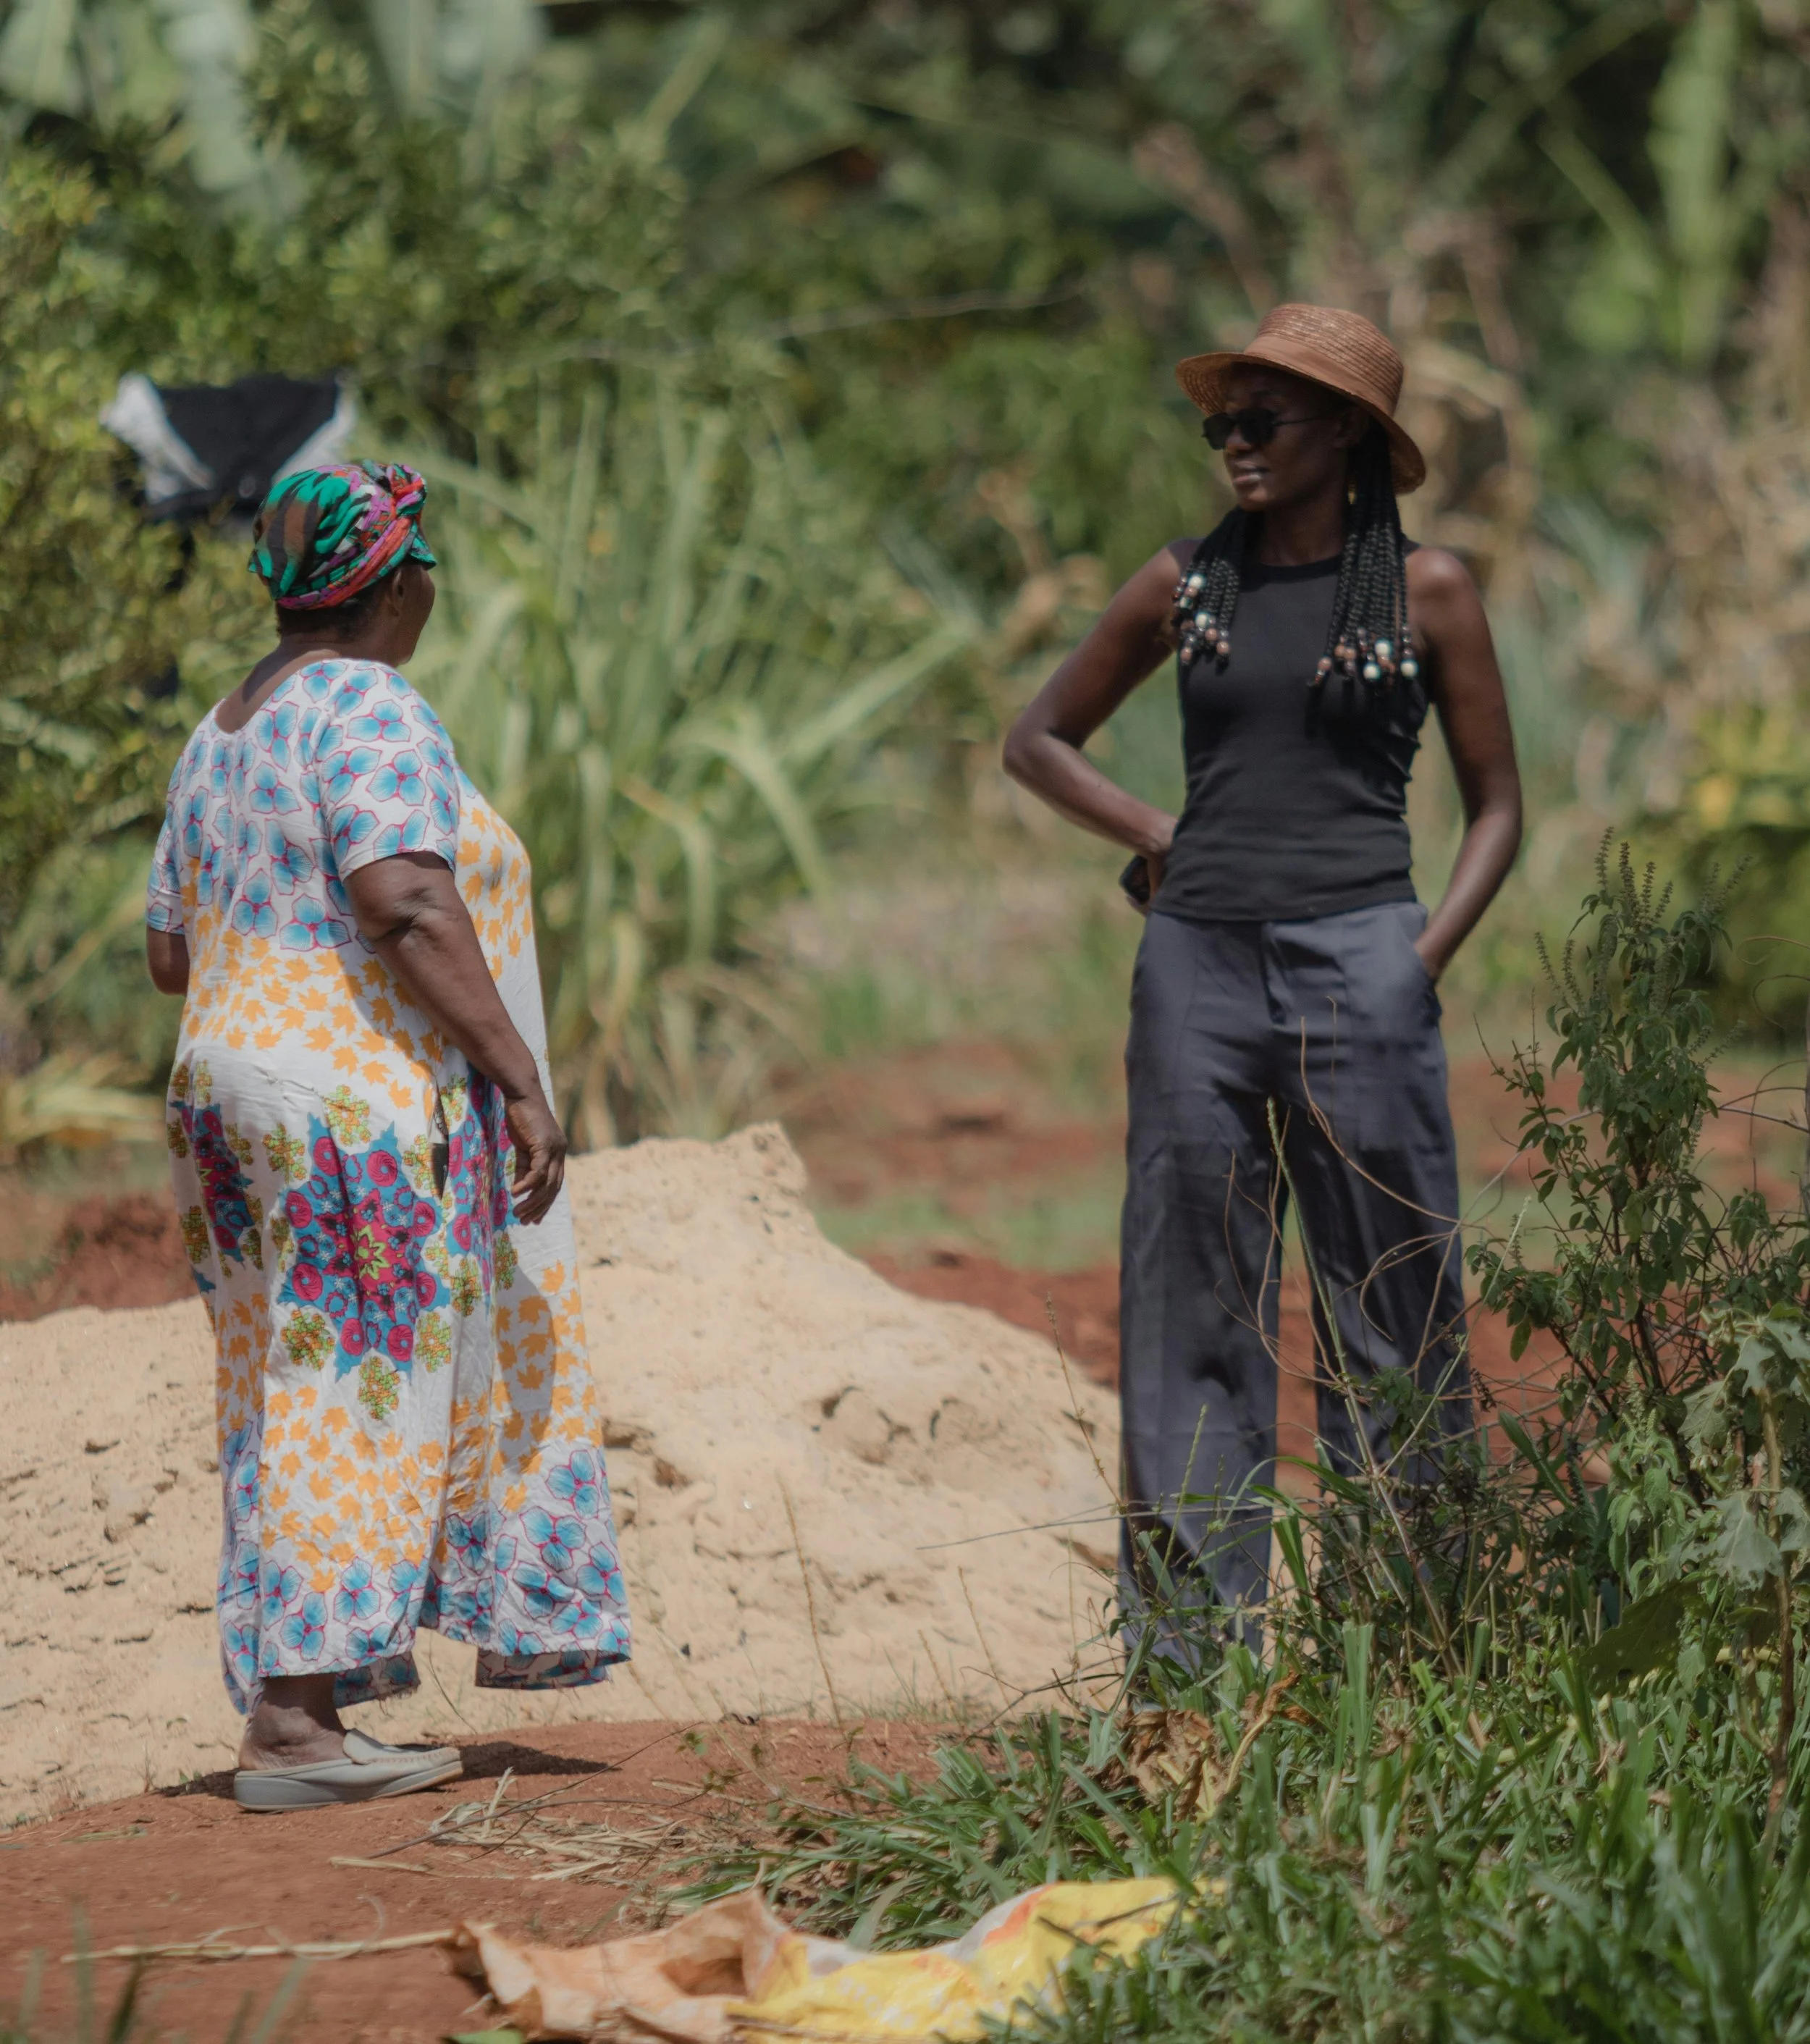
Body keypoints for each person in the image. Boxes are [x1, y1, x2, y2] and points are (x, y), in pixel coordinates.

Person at [1003, 305, 1521, 1654]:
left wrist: (1420, 961)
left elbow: (1500, 808)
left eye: (1261, 421)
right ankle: (1190, 1672)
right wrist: (1159, 835)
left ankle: (1412, 1642)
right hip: (1197, 971)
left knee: (1393, 1303)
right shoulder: (1188, 580)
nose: (1233, 445)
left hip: (1367, 960)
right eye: (1219, 424)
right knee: (1189, 1311)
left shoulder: (1429, 590)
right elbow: (1038, 738)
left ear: (1347, 430)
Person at [146, 461, 631, 1809]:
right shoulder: (369, 703)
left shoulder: (223, 727)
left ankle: (299, 1697)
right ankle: (299, 1731)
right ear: (389, 584)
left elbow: (167, 949)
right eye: (424, 568)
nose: (429, 592)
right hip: (339, 1101)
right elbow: (406, 896)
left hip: (222, 1089)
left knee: (283, 1378)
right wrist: (517, 1074)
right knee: (353, 1380)